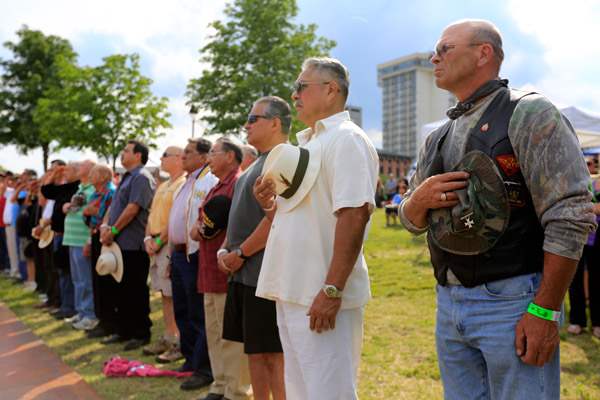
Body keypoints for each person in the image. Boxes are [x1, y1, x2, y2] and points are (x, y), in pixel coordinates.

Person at [399, 19, 596, 400]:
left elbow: (570, 214)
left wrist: (544, 311)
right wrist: (418, 201)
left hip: (513, 299)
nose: (433, 57)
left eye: (445, 49)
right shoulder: (437, 136)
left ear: (483, 53)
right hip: (449, 301)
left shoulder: (530, 112)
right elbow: (410, 220)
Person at [254, 58, 379, 399]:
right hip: (294, 290)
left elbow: (354, 215)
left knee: (328, 392)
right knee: (301, 391)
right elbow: (296, 220)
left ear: (331, 89)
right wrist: (269, 205)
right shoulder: (308, 144)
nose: (294, 95)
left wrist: (333, 289)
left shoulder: (346, 139)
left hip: (321, 293)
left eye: (301, 87)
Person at [221, 96, 291, 400]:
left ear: (275, 123)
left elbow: (276, 218)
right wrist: (226, 250)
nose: (246, 125)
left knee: (274, 355)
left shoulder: (284, 159)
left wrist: (241, 253)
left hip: (265, 274)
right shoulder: (256, 163)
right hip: (244, 274)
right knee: (255, 352)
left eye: (253, 119)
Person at [194, 137, 251, 400]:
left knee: (231, 337)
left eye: (213, 153)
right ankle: (220, 384)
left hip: (226, 271)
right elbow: (200, 225)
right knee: (214, 333)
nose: (209, 159)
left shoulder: (238, 184)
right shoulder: (217, 186)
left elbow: (232, 227)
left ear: (230, 156)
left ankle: (236, 391)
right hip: (208, 270)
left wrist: (200, 229)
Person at [167, 137, 217, 391]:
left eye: (188, 152)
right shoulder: (185, 183)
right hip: (178, 255)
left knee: (198, 313)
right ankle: (189, 360)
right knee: (182, 311)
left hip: (195, 255)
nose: (183, 156)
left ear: (204, 156)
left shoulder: (209, 180)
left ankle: (203, 368)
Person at [100, 140, 156, 351]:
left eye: (126, 151)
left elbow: (132, 209)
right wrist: (106, 225)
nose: (122, 154)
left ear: (139, 155)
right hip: (119, 245)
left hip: (133, 245)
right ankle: (124, 330)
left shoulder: (141, 177)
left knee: (135, 290)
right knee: (121, 290)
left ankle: (141, 333)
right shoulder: (127, 177)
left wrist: (113, 231)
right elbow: (116, 206)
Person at [142, 146, 186, 363]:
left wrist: (159, 241)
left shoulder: (181, 184)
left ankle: (178, 339)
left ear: (179, 159)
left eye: (166, 155)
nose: (161, 158)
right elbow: (152, 214)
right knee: (164, 293)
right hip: (156, 243)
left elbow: (175, 219)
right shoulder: (164, 185)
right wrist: (148, 238)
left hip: (167, 244)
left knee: (173, 294)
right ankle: (169, 335)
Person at [41, 162, 81, 320]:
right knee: (62, 272)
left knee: (68, 273)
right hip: (58, 235)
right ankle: (65, 305)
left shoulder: (76, 188)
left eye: (68, 171)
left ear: (77, 172)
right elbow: (46, 190)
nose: (64, 173)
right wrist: (54, 173)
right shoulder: (65, 187)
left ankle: (70, 307)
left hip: (68, 235)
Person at [62, 160, 97, 330]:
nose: (78, 168)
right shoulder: (80, 189)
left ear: (90, 170)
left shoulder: (91, 190)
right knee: (77, 279)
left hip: (82, 239)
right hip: (72, 239)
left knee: (85, 280)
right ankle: (81, 311)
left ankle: (89, 314)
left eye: (82, 166)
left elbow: (89, 214)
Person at [567, 157, 600, 338]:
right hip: (577, 237)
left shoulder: (596, 183)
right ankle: (577, 320)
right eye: (585, 162)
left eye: (591, 163)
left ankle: (597, 323)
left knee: (597, 280)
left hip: (596, 240)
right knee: (574, 279)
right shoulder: (572, 181)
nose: (588, 166)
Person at [83, 164, 117, 339]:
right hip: (95, 236)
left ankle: (109, 322)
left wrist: (92, 211)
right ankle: (101, 319)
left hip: (106, 238)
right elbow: (86, 216)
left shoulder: (111, 192)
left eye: (94, 172)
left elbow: (107, 215)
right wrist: (89, 212)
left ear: (104, 176)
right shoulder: (95, 194)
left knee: (106, 282)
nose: (90, 175)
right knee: (97, 279)